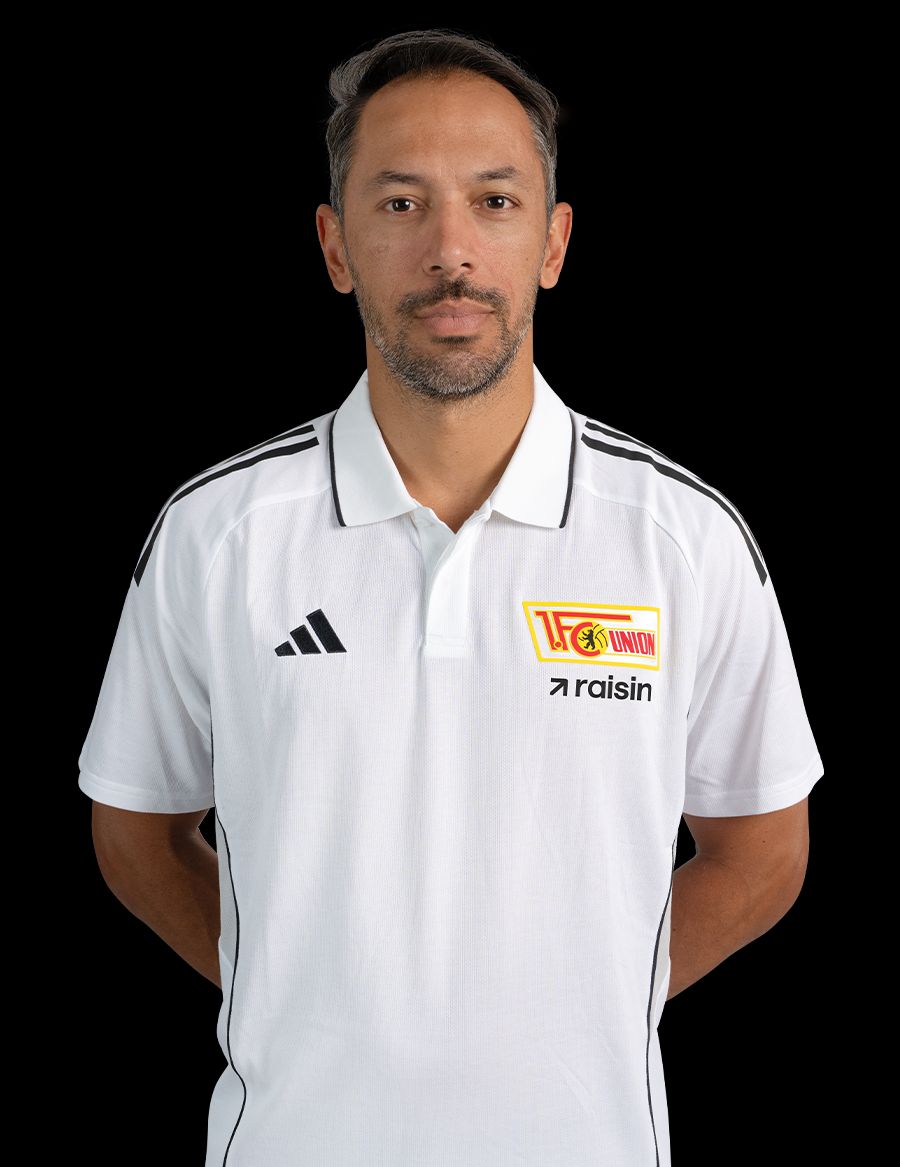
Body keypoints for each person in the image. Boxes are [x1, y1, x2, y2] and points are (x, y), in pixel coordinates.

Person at [78, 27, 824, 1167]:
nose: (451, 251)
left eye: (494, 201)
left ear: (554, 242)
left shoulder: (684, 540)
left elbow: (763, 849)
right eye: (400, 204)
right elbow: (136, 827)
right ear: (335, 246)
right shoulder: (217, 536)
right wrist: (297, 987)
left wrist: (588, 1001)